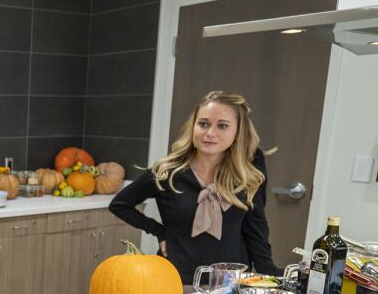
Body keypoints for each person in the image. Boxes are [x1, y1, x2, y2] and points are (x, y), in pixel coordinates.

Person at [108, 90, 279, 283]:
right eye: (203, 124)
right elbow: (119, 204)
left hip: (230, 283)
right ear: (193, 126)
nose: (210, 133)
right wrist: (159, 231)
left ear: (238, 132)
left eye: (222, 126)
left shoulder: (248, 171)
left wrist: (269, 276)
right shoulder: (166, 173)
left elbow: (256, 227)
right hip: (176, 280)